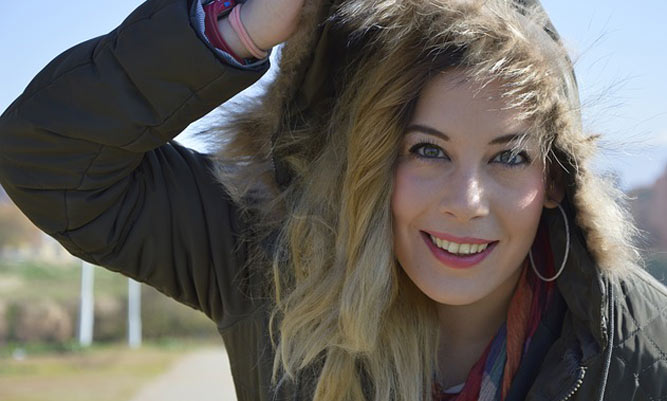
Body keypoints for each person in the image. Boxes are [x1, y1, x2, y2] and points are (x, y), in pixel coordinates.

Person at [0, 0, 665, 400]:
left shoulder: (644, 339)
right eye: (427, 150)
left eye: (509, 157)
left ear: (555, 178)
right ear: (368, 157)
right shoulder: (261, 256)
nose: (466, 202)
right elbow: (47, 158)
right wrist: (237, 28)